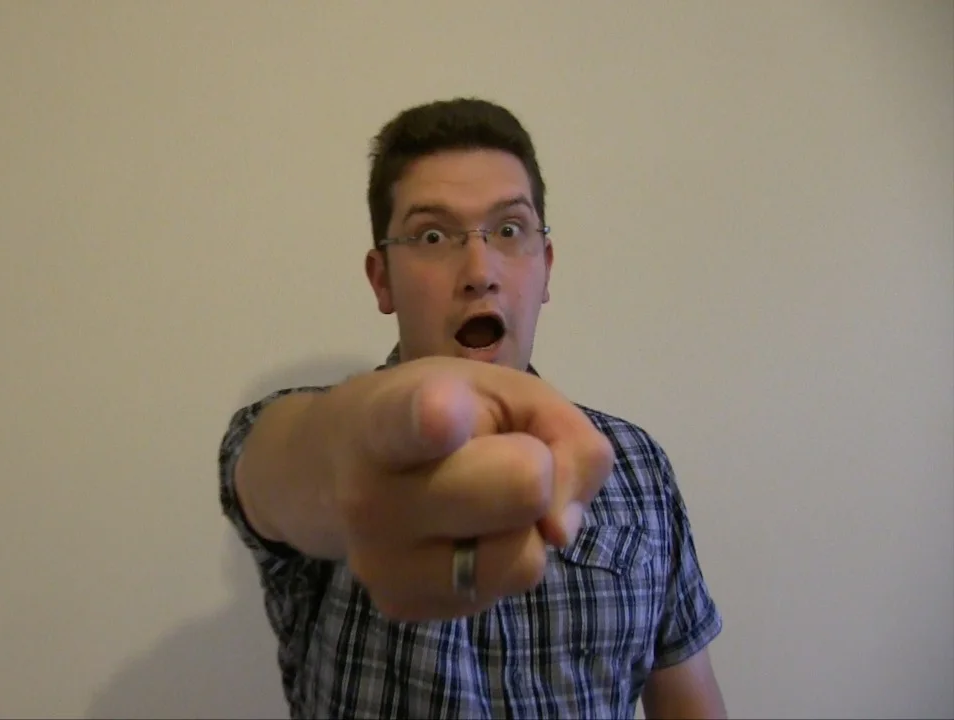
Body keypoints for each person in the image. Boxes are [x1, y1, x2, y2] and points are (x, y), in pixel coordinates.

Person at [217, 98, 726, 719]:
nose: (480, 271)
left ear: (545, 267)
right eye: (433, 236)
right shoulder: (328, 440)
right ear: (382, 279)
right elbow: (273, 465)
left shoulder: (637, 465)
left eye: (509, 230)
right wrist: (344, 446)